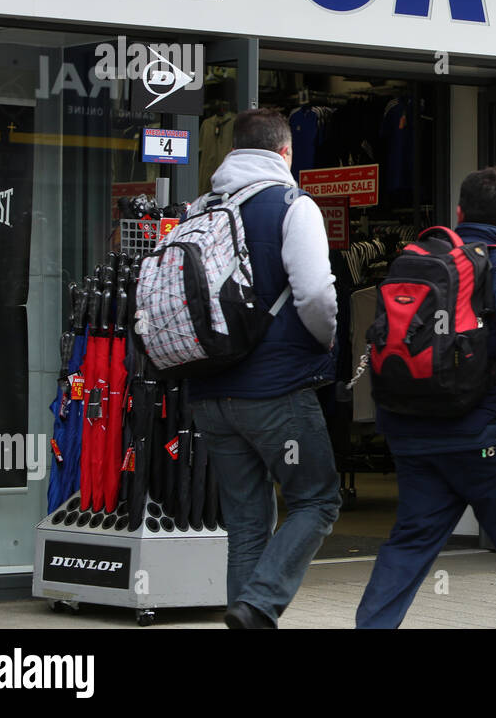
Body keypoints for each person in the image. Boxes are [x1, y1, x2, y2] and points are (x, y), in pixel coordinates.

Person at [356, 166, 496, 628]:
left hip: (416, 437)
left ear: (458, 212)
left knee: (408, 546)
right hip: (493, 441)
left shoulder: (420, 261)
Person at [187, 108, 341, 629]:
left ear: (233, 150)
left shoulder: (199, 208)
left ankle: (248, 616)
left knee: (247, 524)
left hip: (208, 393)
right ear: (285, 152)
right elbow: (317, 293)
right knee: (317, 500)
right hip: (276, 392)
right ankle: (260, 604)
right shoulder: (292, 205)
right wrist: (326, 343)